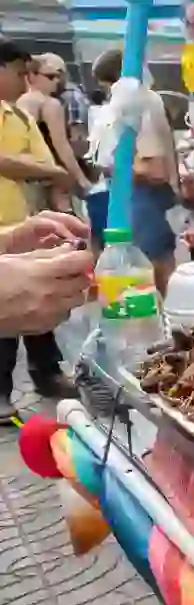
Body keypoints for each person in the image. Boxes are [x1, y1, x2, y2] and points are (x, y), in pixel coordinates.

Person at [0, 38, 85, 414]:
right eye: (20, 73)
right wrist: (54, 173)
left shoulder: (18, 117)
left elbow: (45, 162)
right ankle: (1, 393)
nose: (25, 83)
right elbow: (39, 167)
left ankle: (47, 373)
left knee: (41, 305)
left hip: (18, 222)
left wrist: (60, 195)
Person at [89, 48, 181, 295]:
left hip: (146, 195)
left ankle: (168, 321)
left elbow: (154, 169)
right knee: (154, 263)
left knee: (154, 265)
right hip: (143, 195)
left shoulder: (139, 104)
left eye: (109, 87)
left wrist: (116, 169)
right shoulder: (143, 101)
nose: (109, 95)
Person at [17, 53, 94, 209]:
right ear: (32, 75)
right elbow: (61, 145)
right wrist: (81, 179)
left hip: (24, 176)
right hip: (50, 177)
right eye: (51, 77)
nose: (57, 81)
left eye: (59, 76)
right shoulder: (50, 104)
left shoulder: (17, 102)